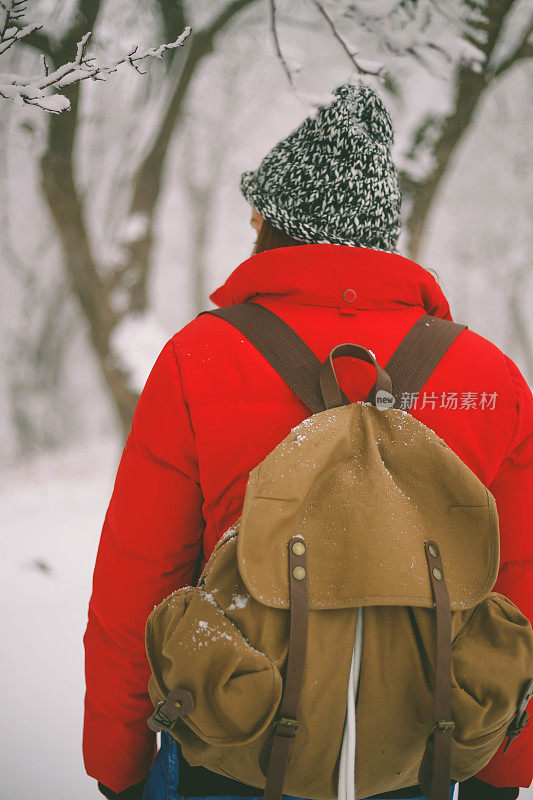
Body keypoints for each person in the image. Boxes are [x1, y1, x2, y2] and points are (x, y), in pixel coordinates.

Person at [83, 83, 532, 800]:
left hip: (231, 739)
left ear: (273, 224)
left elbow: (138, 579)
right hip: (425, 746)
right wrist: (502, 763)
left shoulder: (198, 358)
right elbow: (513, 581)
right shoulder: (487, 377)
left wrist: (119, 763)